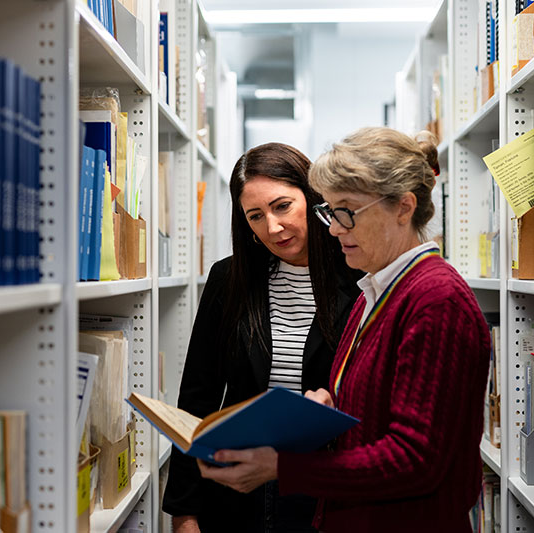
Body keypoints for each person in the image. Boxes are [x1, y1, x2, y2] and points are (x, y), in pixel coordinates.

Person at [197, 128, 491, 532]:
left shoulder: (437, 300)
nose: (334, 228)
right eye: (331, 212)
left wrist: (283, 467)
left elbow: (416, 461)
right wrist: (328, 408)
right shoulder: (375, 292)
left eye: (347, 212)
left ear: (403, 207)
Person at [163, 142, 361, 532]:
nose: (272, 227)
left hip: (325, 484)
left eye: (282, 206)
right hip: (238, 489)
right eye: (255, 216)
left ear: (312, 197)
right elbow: (198, 399)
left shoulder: (360, 277)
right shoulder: (228, 280)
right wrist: (184, 514)